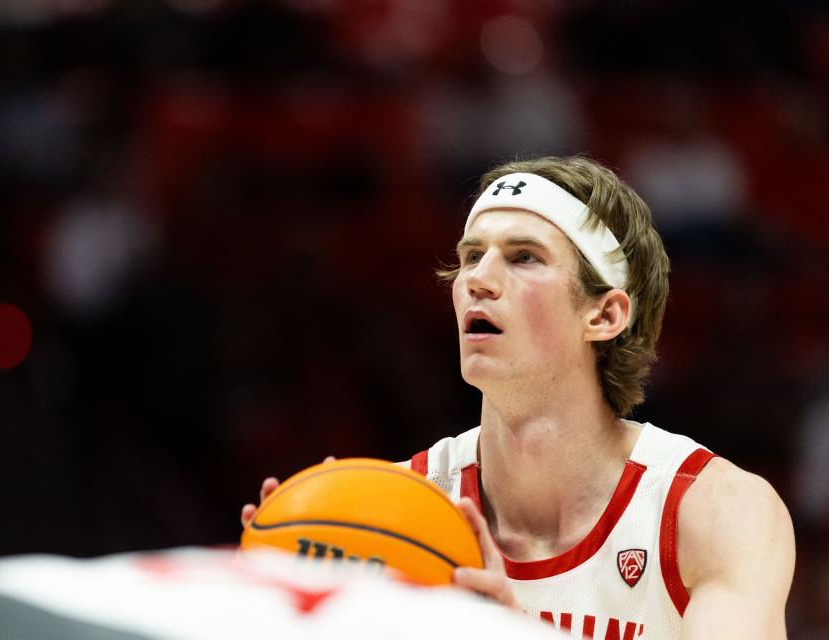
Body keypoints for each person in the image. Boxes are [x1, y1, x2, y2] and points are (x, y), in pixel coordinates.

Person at [241, 156, 795, 639]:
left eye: (524, 256)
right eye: (470, 256)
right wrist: (273, 597)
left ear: (604, 314)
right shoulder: (392, 515)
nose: (478, 279)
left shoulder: (714, 512)